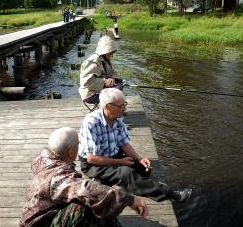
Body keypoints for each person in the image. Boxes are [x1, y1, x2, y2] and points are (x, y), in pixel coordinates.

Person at [78, 88, 193, 203]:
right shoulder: (91, 122)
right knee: (126, 173)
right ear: (108, 106)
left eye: (125, 104)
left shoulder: (118, 117)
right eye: (121, 106)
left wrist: (139, 158)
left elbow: (123, 143)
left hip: (113, 155)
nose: (124, 108)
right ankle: (171, 193)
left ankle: (109, 181)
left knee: (143, 168)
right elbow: (91, 158)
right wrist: (120, 162)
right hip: (94, 164)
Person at [20, 127, 148, 227]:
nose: (80, 147)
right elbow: (85, 189)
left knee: (90, 201)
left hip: (45, 213)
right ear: (71, 152)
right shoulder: (56, 177)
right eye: (78, 145)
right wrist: (129, 199)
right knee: (83, 206)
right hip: (41, 224)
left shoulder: (44, 159)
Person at [79, 35, 120, 105]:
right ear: (106, 50)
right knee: (115, 95)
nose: (112, 54)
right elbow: (86, 82)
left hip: (98, 90)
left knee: (119, 86)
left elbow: (111, 72)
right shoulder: (93, 61)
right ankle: (113, 112)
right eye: (111, 52)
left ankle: (115, 111)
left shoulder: (105, 59)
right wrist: (104, 82)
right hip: (90, 94)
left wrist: (113, 78)